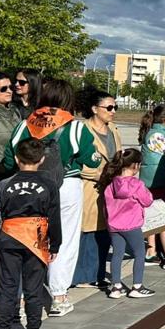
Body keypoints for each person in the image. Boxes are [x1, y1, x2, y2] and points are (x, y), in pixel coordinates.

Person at [3, 79, 99, 317]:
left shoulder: (26, 125)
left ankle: (23, 298)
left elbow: (8, 159)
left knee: (29, 238)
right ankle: (59, 296)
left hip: (28, 186)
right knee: (64, 240)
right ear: (68, 100)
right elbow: (92, 159)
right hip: (67, 186)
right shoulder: (75, 127)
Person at [0, 137, 61, 329]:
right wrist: (55, 244)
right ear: (42, 159)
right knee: (33, 287)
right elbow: (54, 217)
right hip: (36, 238)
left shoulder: (3, 184)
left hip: (8, 237)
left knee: (7, 287)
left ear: (17, 159)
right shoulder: (49, 184)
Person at [72, 89, 122, 290]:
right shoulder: (82, 129)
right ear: (94, 109)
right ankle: (83, 276)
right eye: (109, 107)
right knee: (87, 232)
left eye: (115, 107)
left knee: (104, 232)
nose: (113, 111)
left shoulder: (114, 129)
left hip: (110, 190)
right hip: (90, 187)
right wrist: (100, 174)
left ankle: (98, 274)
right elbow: (77, 160)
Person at [100, 149, 155, 299]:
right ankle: (137, 285)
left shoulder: (110, 184)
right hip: (131, 225)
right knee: (139, 253)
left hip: (113, 225)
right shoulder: (136, 184)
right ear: (135, 165)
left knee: (117, 254)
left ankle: (116, 286)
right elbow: (148, 201)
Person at [139, 104, 165, 270]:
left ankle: (153, 250)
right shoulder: (157, 135)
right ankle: (162, 253)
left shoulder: (158, 132)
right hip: (156, 180)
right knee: (161, 217)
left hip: (155, 179)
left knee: (156, 215)